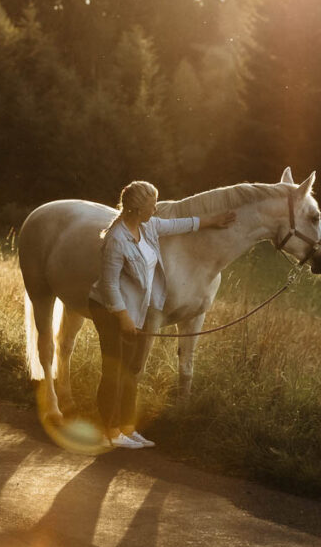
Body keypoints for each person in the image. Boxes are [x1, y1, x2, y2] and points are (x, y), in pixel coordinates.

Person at [88, 180, 235, 449]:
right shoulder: (116, 239)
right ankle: (109, 431)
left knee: (131, 371)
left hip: (135, 311)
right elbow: (109, 285)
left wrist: (213, 220)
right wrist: (123, 319)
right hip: (110, 311)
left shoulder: (149, 226)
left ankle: (127, 429)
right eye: (152, 204)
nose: (156, 208)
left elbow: (182, 224)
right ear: (136, 208)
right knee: (114, 371)